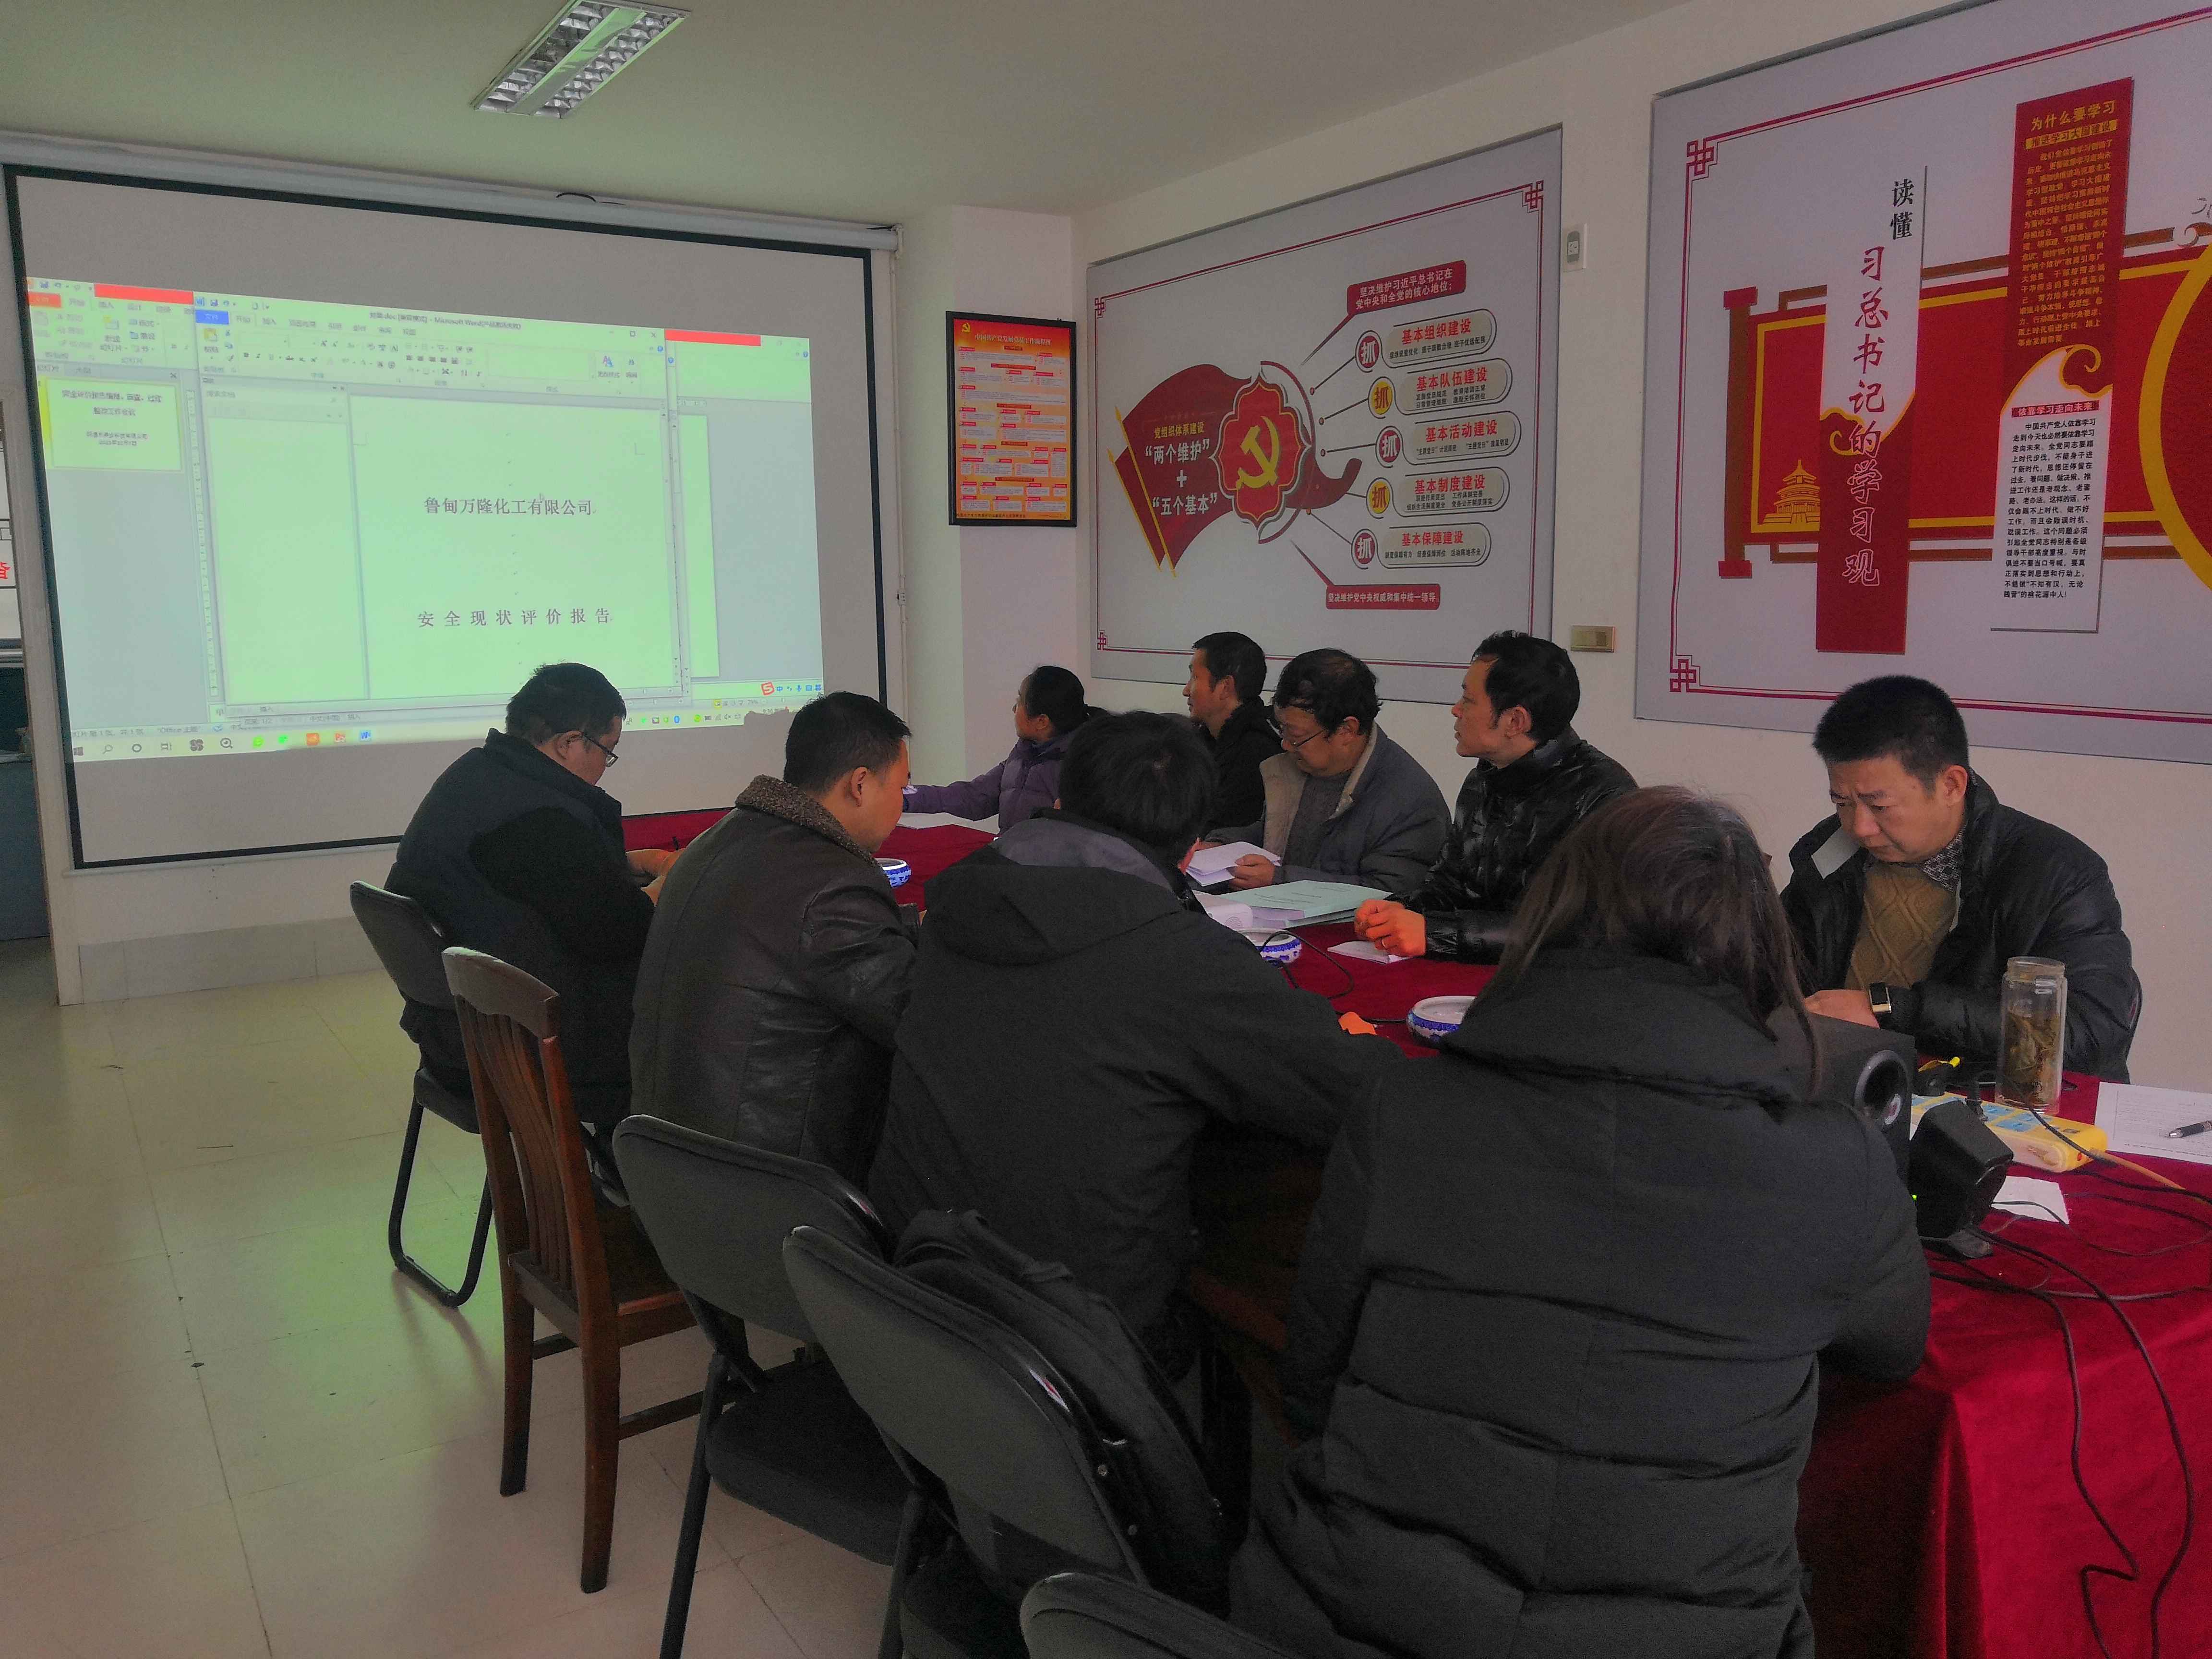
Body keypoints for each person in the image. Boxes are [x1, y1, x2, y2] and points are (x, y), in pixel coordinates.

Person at [1238, 788, 1931, 1659]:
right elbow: (1892, 1349)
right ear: (1759, 949)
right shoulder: (1834, 1162)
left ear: (1553, 915)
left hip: (1358, 1612)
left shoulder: (1406, 1106)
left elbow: (1313, 1373)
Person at [867, 710, 1398, 1375]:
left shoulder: (954, 904)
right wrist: (1357, 1041)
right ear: (1191, 849)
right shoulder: (1182, 959)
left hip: (906, 1304)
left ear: (1063, 803)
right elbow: (1364, 1096)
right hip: (1077, 1344)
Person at [1782, 675, 2140, 1080]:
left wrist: (1893, 1009)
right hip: (1848, 1085)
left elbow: (2087, 1032)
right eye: (1842, 802)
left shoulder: (2057, 875)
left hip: (1983, 1096)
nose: (1859, 827)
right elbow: (1771, 973)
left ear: (1951, 785)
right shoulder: (1830, 855)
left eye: (1878, 806)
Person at [627, 692, 918, 1184]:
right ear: (861, 784)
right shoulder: (832, 881)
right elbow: (914, 1021)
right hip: (764, 1190)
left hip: (665, 1161)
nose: (902, 804)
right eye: (902, 787)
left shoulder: (716, 840)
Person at [388, 662, 670, 1165]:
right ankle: (639, 1178)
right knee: (698, 1023)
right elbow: (618, 932)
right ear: (569, 743)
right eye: (607, 751)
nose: (605, 766)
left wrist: (626, 864)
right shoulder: (537, 818)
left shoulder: (481, 776)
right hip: (524, 1045)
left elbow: (537, 882)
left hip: (460, 1029)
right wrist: (673, 883)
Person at [1353, 630, 1635, 962]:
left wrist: (1433, 934)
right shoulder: (1484, 778)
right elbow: (1450, 883)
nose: (1456, 711)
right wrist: (1399, 909)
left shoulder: (1604, 797)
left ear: (1515, 721)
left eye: (1469, 701)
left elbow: (1573, 931)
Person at [1208, 648, 1447, 893]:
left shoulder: (1411, 802)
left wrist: (1280, 880)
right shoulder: (1300, 767)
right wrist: (1222, 846)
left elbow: (1388, 893)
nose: (1286, 745)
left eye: (1296, 735)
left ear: (1347, 730)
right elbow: (1275, 835)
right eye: (1282, 729)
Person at [901, 664, 1094, 830]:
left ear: (1041, 721)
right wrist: (903, 796)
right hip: (1010, 854)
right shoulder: (1024, 753)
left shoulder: (1081, 768)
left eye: (1020, 702)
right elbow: (974, 797)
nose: (1014, 709)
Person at [1183, 630, 1278, 829]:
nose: (1186, 690)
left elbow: (1219, 828)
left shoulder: (1257, 752)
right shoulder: (1203, 739)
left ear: (1225, 687)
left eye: (1195, 677)